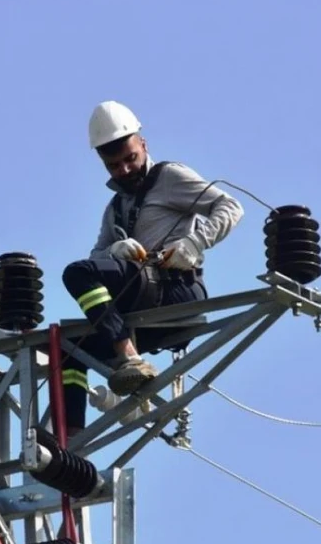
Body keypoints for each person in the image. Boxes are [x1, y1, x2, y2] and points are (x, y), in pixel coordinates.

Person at [59, 100, 245, 435]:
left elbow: (229, 206)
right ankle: (68, 444)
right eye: (114, 166)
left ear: (143, 145)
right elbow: (96, 255)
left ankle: (128, 355)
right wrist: (114, 250)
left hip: (177, 289)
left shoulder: (169, 177)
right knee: (69, 350)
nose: (125, 170)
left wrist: (195, 242)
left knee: (76, 273)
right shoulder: (115, 208)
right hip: (141, 298)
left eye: (130, 159)